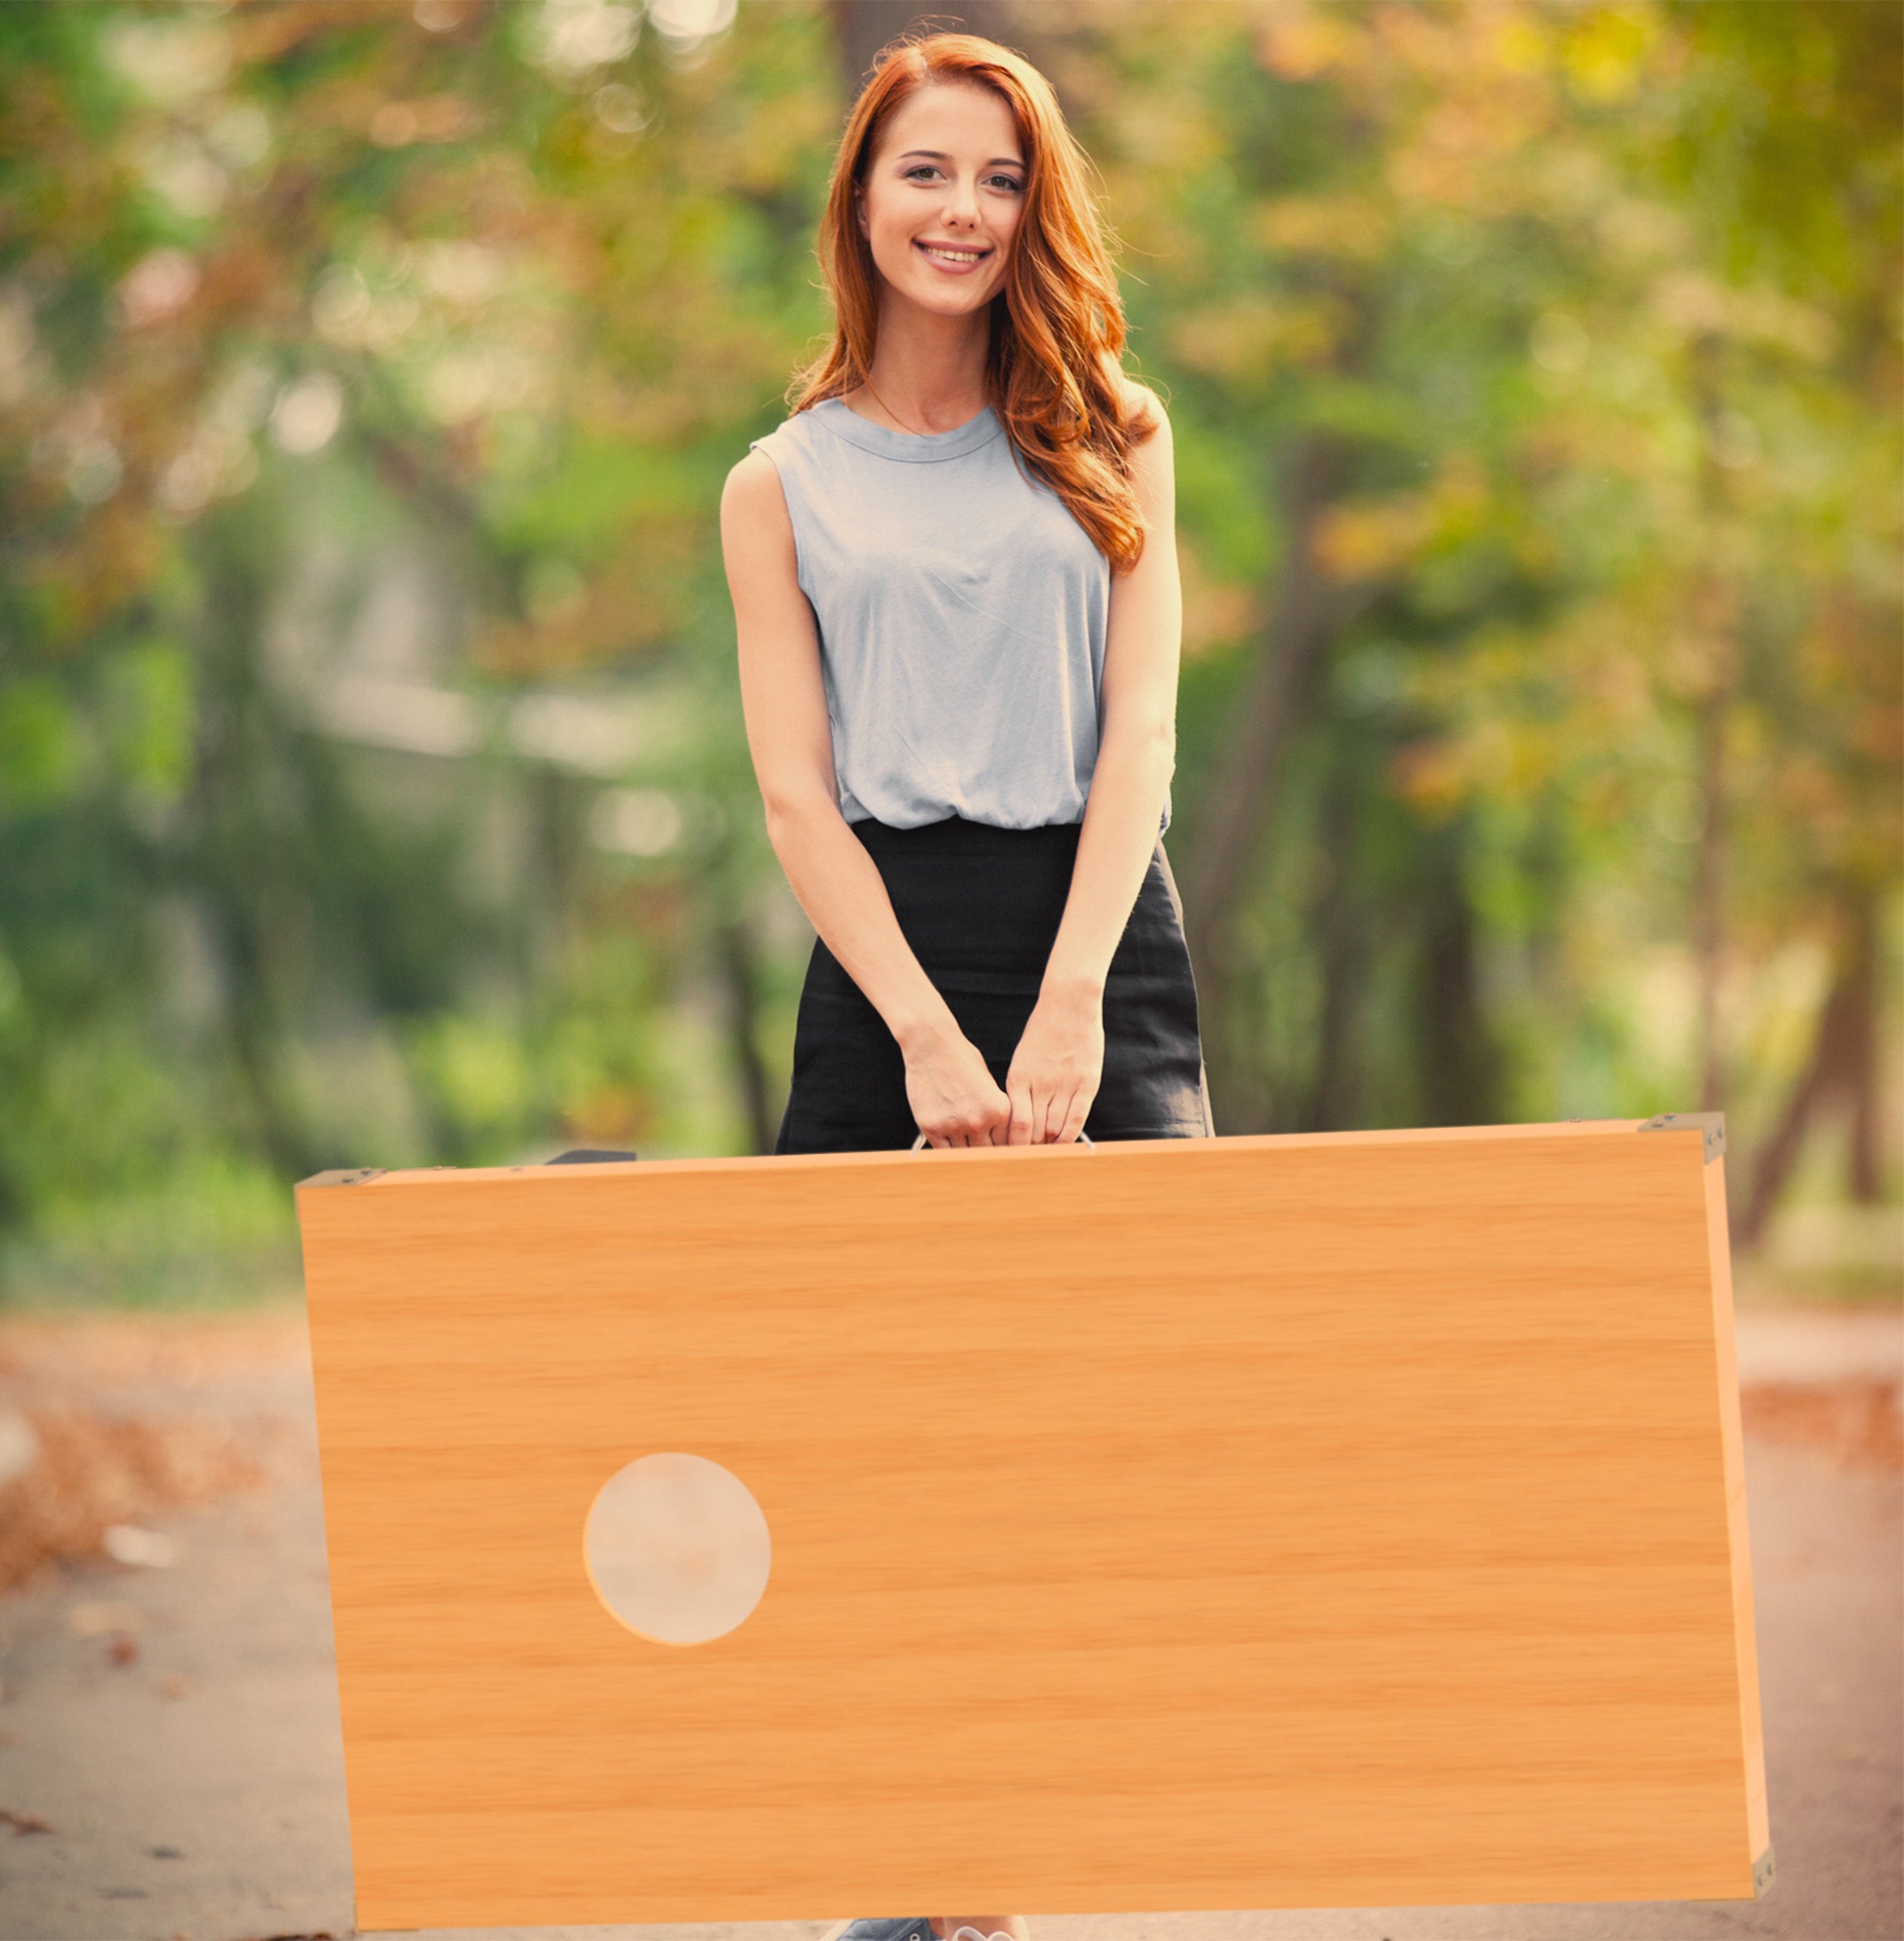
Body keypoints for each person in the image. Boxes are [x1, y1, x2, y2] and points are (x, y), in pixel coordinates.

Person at [719, 30, 1215, 1940]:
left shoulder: (1118, 432)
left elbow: (1145, 731)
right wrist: (927, 1030)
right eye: (928, 172)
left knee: (1098, 1421)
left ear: (1038, 209)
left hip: (1098, 934)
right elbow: (789, 784)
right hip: (884, 959)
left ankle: (1019, 1842)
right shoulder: (780, 483)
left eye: (1002, 180)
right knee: (874, 1431)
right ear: (862, 197)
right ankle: (924, 1866)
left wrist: (1075, 998)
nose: (965, 212)